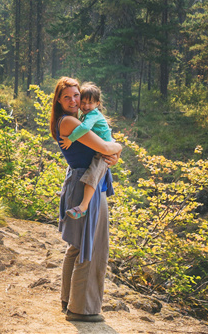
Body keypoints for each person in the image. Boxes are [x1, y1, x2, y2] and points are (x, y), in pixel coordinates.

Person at [50, 77, 122, 323]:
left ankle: (68, 300)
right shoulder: (69, 122)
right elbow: (104, 145)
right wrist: (117, 146)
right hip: (85, 186)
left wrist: (111, 152)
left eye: (76, 96)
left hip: (81, 183)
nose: (73, 101)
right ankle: (82, 309)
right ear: (58, 100)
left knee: (79, 246)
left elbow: (102, 150)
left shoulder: (74, 120)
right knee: (91, 246)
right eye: (67, 97)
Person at [58, 82, 117, 220]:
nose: (85, 106)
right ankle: (69, 191)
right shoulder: (84, 115)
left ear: (97, 103)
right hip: (104, 147)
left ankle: (83, 206)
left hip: (105, 149)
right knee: (92, 172)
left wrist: (70, 139)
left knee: (93, 174)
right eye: (83, 102)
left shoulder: (92, 115)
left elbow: (84, 128)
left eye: (90, 103)